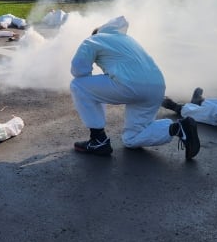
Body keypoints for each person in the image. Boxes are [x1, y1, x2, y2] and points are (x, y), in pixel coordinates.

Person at [69, 16, 200, 159]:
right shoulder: (128, 40)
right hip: (157, 87)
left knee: (78, 85)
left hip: (130, 86)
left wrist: (96, 79)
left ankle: (97, 139)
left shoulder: (92, 40)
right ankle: (178, 128)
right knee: (132, 138)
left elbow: (79, 70)